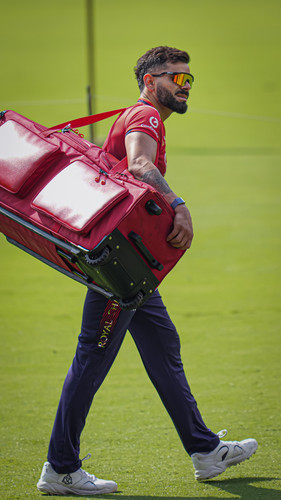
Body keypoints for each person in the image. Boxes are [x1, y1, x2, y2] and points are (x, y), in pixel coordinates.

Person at [37, 46, 258, 496]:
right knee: (93, 354)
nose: (185, 86)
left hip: (127, 261)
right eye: (177, 78)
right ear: (149, 80)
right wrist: (178, 205)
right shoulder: (146, 118)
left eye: (189, 79)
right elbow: (139, 164)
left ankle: (204, 451)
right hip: (119, 264)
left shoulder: (138, 115)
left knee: (162, 344)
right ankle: (60, 468)